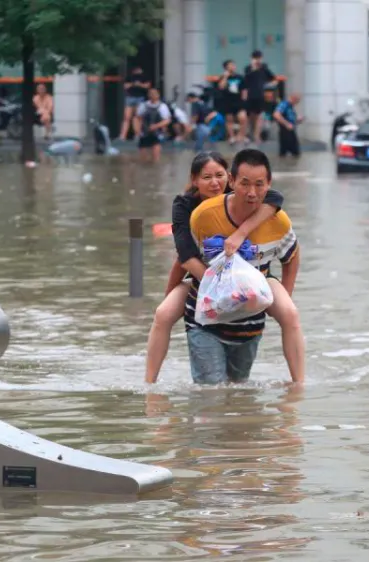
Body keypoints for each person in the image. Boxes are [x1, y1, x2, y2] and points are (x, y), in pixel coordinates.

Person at [144, 151, 305, 384]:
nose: (214, 183)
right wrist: (218, 284)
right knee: (163, 313)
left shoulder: (251, 199)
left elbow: (275, 200)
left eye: (219, 175)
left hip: (256, 275)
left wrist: (241, 234)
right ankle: (150, 384)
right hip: (203, 275)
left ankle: (298, 386)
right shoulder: (189, 209)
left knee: (289, 313)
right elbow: (184, 257)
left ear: (227, 178)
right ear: (194, 180)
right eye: (206, 177)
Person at [242, 51, 277, 146]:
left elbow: (273, 79)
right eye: (255, 58)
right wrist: (254, 68)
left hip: (260, 95)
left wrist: (268, 86)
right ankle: (250, 134)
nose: (257, 60)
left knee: (259, 116)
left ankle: (257, 136)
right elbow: (246, 79)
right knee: (250, 116)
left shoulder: (264, 68)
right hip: (250, 96)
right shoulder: (248, 68)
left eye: (259, 58)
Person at [217, 60, 247, 144]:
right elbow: (221, 87)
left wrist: (244, 100)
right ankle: (232, 136)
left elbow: (244, 89)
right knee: (229, 120)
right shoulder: (223, 77)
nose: (233, 66)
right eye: (230, 65)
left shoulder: (240, 77)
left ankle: (241, 136)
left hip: (239, 101)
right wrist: (225, 77)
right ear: (226, 67)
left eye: (233, 65)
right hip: (228, 101)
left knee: (243, 118)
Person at [136, 88, 171, 162]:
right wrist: (137, 130)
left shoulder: (162, 106)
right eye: (151, 93)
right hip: (144, 133)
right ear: (148, 95)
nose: (152, 95)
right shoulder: (143, 105)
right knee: (142, 159)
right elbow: (137, 118)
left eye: (154, 93)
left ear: (158, 95)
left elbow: (167, 120)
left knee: (156, 159)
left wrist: (156, 126)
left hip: (157, 134)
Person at [120, 66, 151, 141]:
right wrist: (134, 84)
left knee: (137, 117)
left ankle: (137, 134)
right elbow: (125, 86)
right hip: (130, 97)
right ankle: (123, 135)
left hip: (140, 97)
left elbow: (147, 86)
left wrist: (139, 84)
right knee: (127, 117)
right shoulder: (129, 77)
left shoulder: (144, 77)